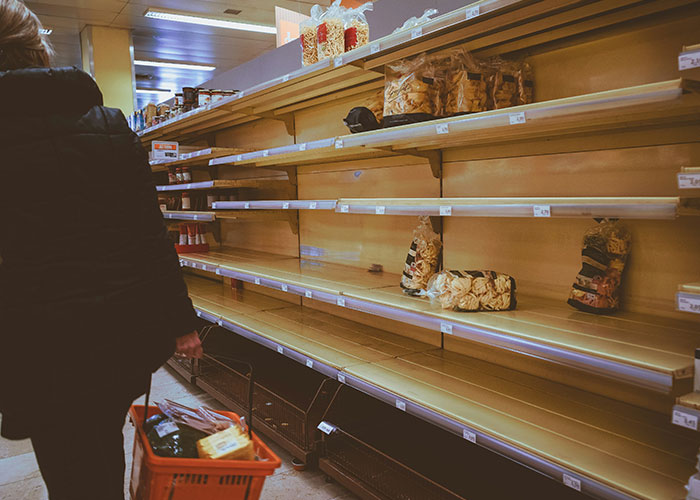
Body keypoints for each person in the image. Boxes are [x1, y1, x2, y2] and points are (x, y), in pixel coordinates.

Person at [0, 1, 204, 498]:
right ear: (39, 49)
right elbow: (149, 237)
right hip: (114, 337)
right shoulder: (111, 127)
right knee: (100, 451)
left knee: (64, 464)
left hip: (32, 347)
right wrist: (181, 322)